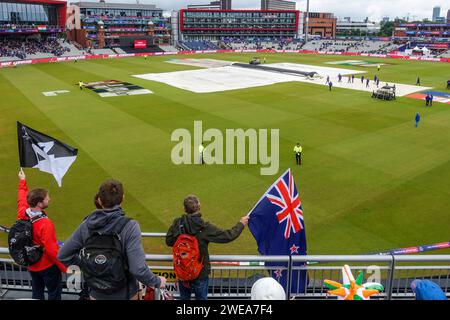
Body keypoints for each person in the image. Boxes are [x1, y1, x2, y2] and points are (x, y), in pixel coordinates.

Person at [58, 179, 166, 300]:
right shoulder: (130, 226)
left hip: (96, 294)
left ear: (99, 200)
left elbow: (63, 255)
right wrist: (156, 281)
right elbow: (138, 269)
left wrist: (90, 267)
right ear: (122, 198)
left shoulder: (86, 225)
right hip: (126, 294)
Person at [166, 195, 249, 300]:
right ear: (199, 207)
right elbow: (228, 236)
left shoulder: (178, 223)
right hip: (200, 273)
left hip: (183, 271)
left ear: (184, 209)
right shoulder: (204, 227)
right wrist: (241, 224)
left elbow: (168, 241)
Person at [16, 169, 67, 300]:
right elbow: (51, 250)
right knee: (54, 294)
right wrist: (64, 267)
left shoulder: (22, 213)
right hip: (47, 266)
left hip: (32, 265)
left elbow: (21, 199)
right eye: (46, 198)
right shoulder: (46, 223)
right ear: (39, 203)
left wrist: (23, 181)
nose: (49, 199)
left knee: (37, 294)